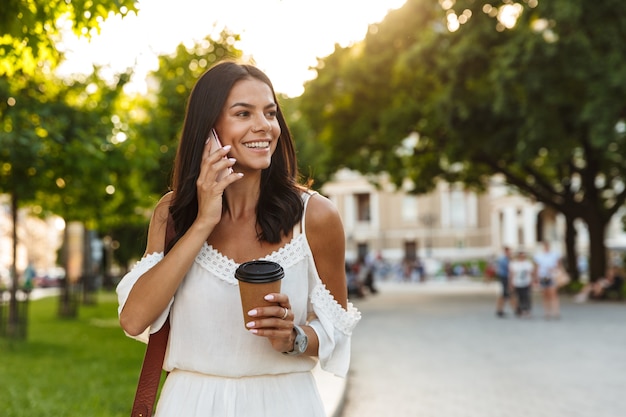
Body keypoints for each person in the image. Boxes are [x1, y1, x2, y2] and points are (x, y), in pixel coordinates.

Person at [116, 61, 361, 417]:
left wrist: (293, 338)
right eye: (243, 113)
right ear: (209, 129)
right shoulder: (173, 214)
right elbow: (134, 319)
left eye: (270, 113)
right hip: (190, 404)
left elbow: (336, 329)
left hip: (284, 403)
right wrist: (203, 222)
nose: (263, 126)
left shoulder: (316, 216)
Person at [533, 241, 562, 319]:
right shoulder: (539, 256)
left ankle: (556, 311)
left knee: (553, 294)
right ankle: (547, 312)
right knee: (545, 295)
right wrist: (536, 278)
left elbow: (558, 265)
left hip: (552, 276)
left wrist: (554, 270)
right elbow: (537, 267)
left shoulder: (554, 255)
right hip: (544, 276)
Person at [509, 250, 534, 318]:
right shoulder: (514, 264)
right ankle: (520, 310)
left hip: (526, 283)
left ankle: (527, 310)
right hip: (517, 283)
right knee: (519, 297)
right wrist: (511, 283)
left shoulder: (528, 264)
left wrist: (532, 281)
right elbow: (511, 274)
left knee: (526, 297)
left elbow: (531, 273)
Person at [494, 246, 514, 318]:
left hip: (504, 277)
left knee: (504, 295)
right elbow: (509, 269)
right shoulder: (504, 259)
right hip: (504, 277)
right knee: (505, 294)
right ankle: (500, 309)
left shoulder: (504, 259)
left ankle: (500, 310)